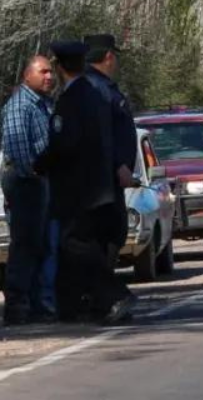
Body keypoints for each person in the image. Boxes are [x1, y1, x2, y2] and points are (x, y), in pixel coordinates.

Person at [34, 41, 133, 325]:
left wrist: (41, 164)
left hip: (77, 188)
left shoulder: (71, 99)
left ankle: (113, 294)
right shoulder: (98, 95)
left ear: (60, 67)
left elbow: (65, 144)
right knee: (78, 248)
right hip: (100, 185)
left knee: (76, 245)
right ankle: (76, 306)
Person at [0, 55, 57, 326]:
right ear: (27, 76)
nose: (49, 76)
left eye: (50, 72)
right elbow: (17, 146)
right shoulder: (20, 106)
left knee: (40, 244)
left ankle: (39, 304)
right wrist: (32, 172)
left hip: (38, 180)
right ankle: (16, 305)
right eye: (43, 72)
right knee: (25, 244)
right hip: (25, 181)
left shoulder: (43, 104)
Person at [84, 34, 140, 274]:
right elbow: (101, 134)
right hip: (103, 180)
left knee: (113, 234)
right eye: (114, 55)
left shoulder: (98, 86)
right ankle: (100, 297)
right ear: (108, 56)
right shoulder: (96, 89)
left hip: (108, 179)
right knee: (108, 234)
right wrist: (119, 164)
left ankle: (102, 294)